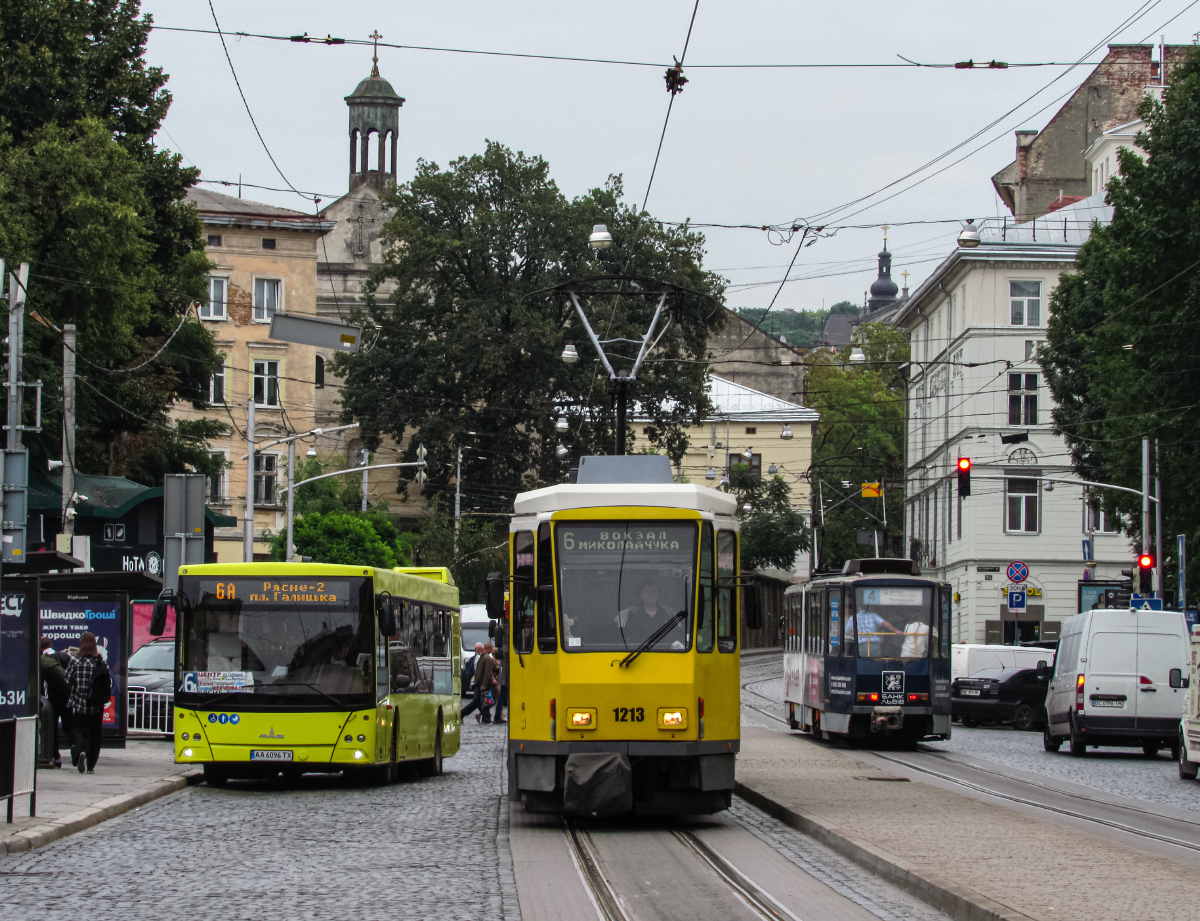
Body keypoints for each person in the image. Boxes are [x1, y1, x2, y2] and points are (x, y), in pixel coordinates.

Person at [65, 632, 110, 774]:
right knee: (95, 735)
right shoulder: (99, 661)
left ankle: (80, 752)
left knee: (81, 732)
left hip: (79, 702)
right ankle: (91, 765)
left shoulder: (75, 660)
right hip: (95, 704)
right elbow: (106, 681)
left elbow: (67, 680)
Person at [616, 580, 684, 648]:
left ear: (658, 595)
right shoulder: (631, 614)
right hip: (639, 652)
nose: (650, 594)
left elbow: (678, 635)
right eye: (647, 591)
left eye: (653, 592)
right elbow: (627, 637)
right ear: (641, 595)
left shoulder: (669, 612)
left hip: (665, 652)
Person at [40, 638, 69, 768]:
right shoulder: (63, 656)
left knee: (52, 727)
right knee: (70, 726)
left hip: (53, 700)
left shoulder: (42, 661)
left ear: (41, 648)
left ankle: (55, 756)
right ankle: (77, 751)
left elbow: (41, 684)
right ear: (51, 644)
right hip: (68, 697)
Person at [461, 642, 496, 723]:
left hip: (482, 683)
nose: (475, 651)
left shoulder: (485, 658)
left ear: (481, 649)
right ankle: (486, 718)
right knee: (483, 701)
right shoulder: (483, 657)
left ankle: (486, 717)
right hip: (481, 683)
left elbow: (487, 672)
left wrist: (484, 683)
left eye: (476, 649)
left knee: (481, 701)